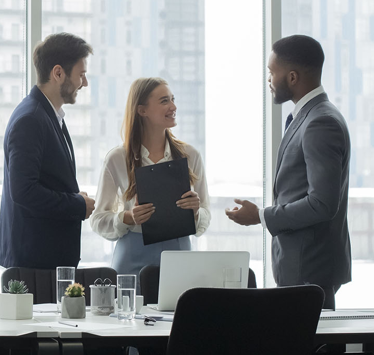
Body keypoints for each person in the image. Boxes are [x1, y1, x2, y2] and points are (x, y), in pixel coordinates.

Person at [225, 35, 351, 309]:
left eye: (272, 72)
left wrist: (260, 216)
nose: (268, 80)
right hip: (302, 268)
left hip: (310, 269)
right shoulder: (308, 117)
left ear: (292, 77)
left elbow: (322, 204)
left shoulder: (321, 123)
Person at [91, 77, 211, 283]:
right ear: (142, 110)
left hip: (179, 256)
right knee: (129, 314)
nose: (173, 106)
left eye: (172, 99)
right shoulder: (117, 158)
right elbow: (98, 220)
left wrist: (196, 211)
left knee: (179, 314)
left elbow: (206, 216)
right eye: (164, 101)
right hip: (132, 257)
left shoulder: (191, 156)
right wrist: (128, 217)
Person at [0, 33, 96, 269]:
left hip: (42, 257)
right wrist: (77, 205)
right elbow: (24, 191)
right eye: (81, 75)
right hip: (34, 262)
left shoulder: (45, 115)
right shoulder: (31, 118)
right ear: (58, 73)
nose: (84, 83)